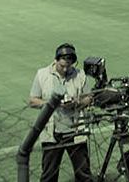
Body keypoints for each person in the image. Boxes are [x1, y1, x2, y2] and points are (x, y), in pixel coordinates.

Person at [29, 43, 94, 182]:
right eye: (62, 65)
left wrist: (77, 103)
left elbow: (89, 98)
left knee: (84, 174)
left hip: (76, 131)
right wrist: (52, 104)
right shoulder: (42, 74)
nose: (65, 69)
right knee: (49, 175)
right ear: (56, 60)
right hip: (51, 133)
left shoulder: (80, 75)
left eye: (68, 66)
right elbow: (33, 101)